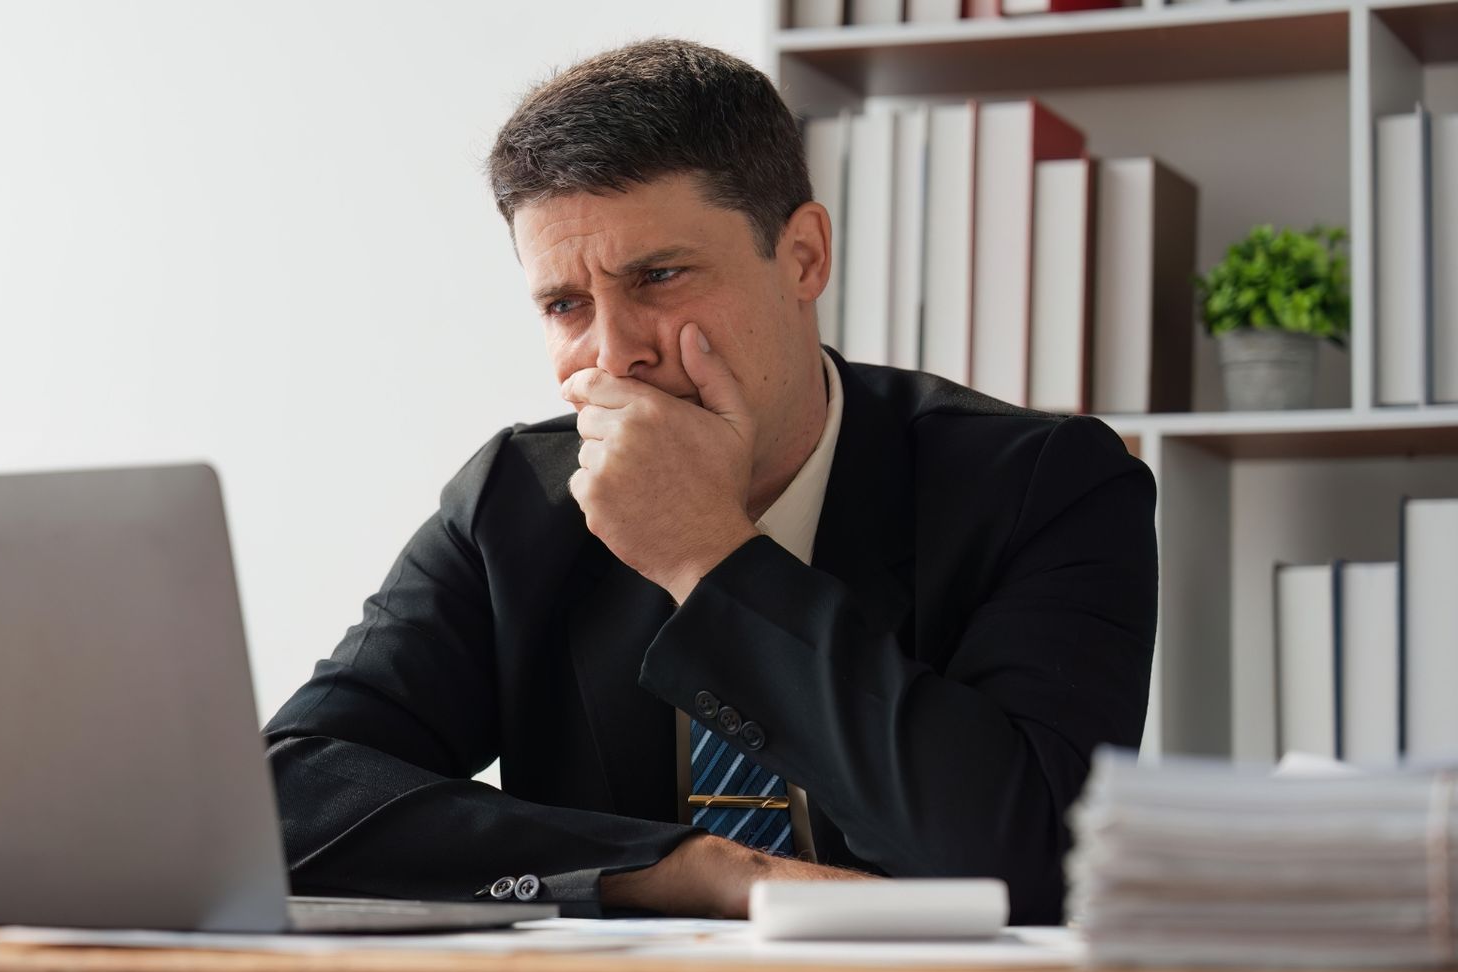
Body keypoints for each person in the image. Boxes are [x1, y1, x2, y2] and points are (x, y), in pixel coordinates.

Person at [262, 38, 1156, 924]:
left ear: (803, 256)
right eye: (565, 305)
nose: (615, 353)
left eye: (658, 276)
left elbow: (1022, 866)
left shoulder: (1049, 487)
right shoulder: (516, 500)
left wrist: (710, 557)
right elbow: (284, 797)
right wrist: (689, 870)